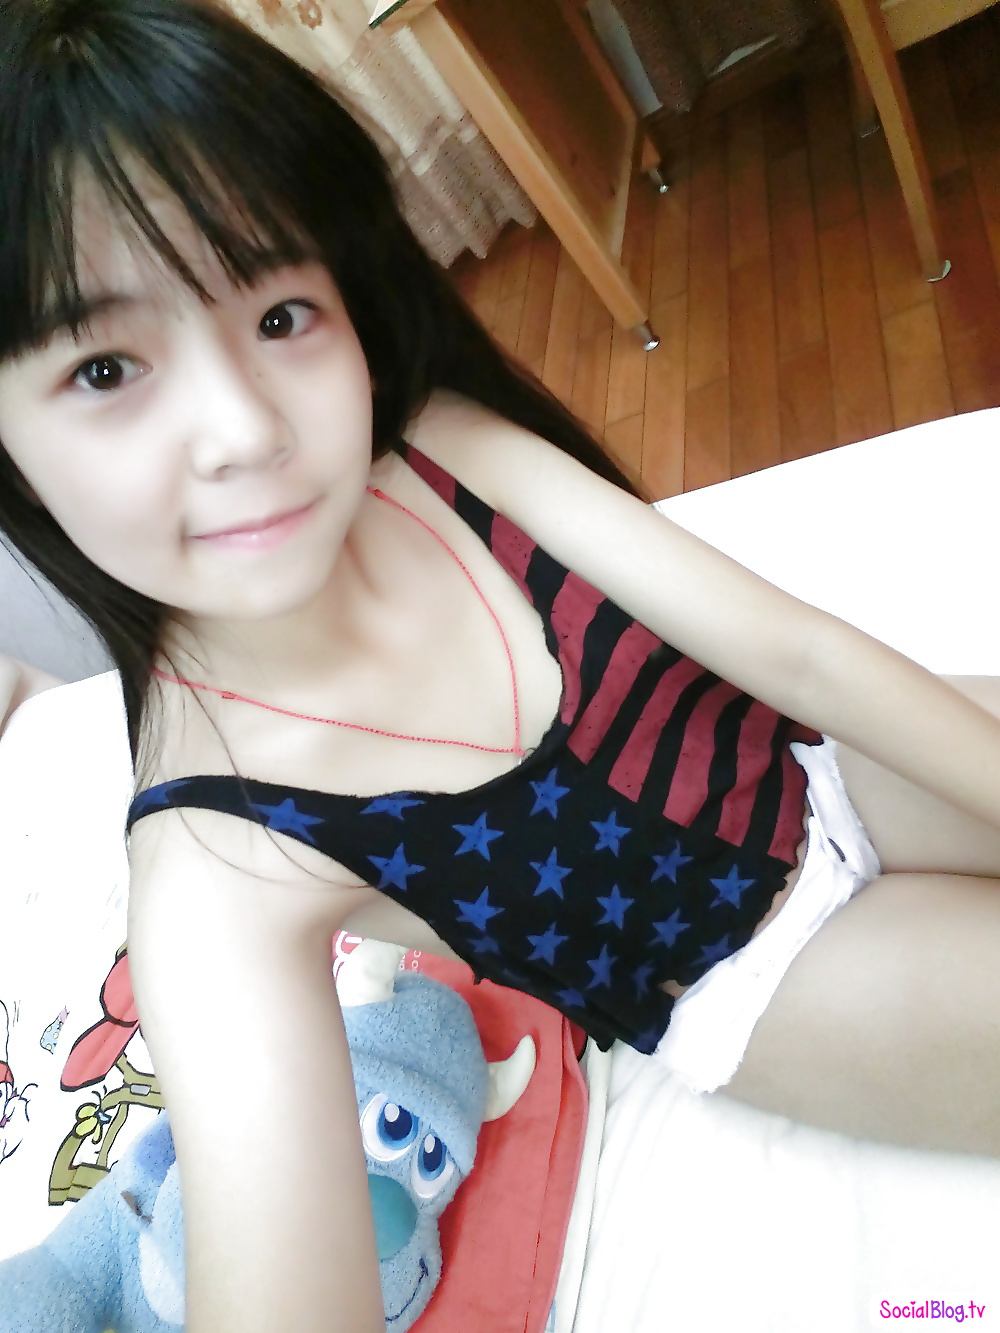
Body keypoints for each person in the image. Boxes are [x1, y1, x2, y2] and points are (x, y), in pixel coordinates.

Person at [1, 0, 998, 1327]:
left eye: (282, 313)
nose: (244, 429)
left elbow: (794, 653)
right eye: (107, 366)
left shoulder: (435, 454)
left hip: (825, 765)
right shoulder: (212, 864)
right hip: (771, 977)